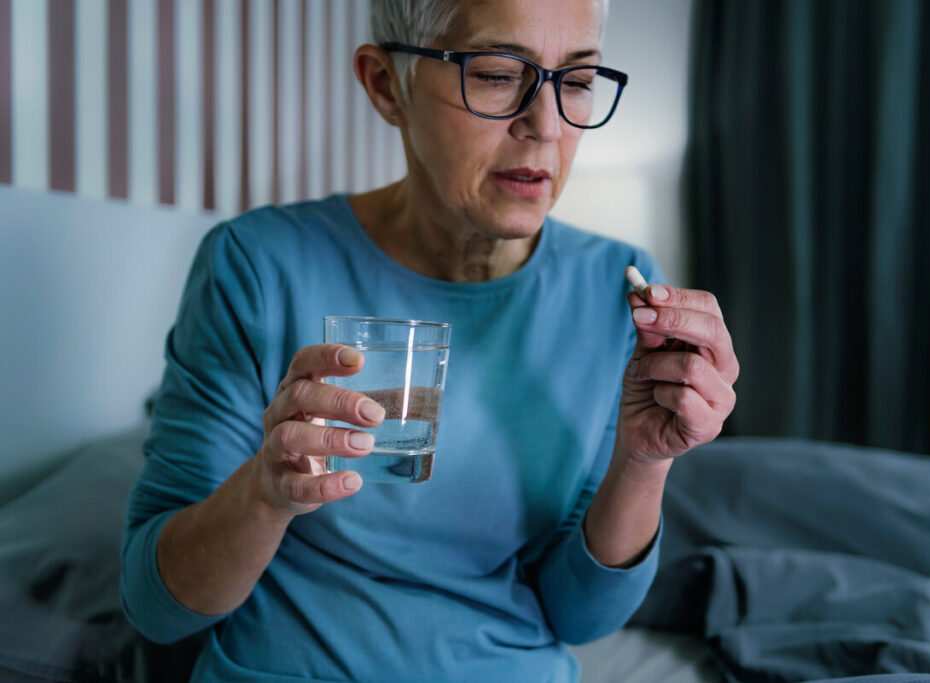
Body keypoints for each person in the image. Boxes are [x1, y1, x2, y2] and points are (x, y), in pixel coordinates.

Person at [120, 0, 740, 680]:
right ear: (387, 85)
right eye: (500, 74)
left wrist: (644, 461)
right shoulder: (258, 264)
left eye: (577, 81)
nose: (546, 125)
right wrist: (265, 495)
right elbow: (158, 609)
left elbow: (578, 616)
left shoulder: (615, 289)